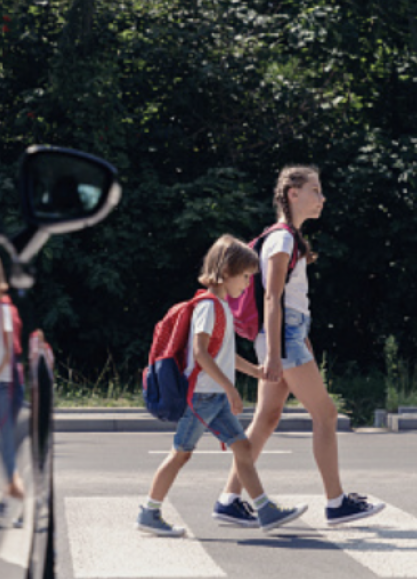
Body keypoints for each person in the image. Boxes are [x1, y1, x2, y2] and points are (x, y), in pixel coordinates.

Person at [211, 165, 386, 528]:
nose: (322, 198)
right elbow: (272, 298)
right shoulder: (283, 239)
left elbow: (287, 300)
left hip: (287, 334)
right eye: (315, 190)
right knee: (326, 415)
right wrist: (276, 354)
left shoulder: (287, 239)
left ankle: (229, 499)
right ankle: (336, 502)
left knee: (267, 418)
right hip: (281, 336)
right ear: (293, 193)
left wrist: (296, 339)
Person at [136, 234, 308, 537]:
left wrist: (255, 371)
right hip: (202, 396)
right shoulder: (209, 306)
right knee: (181, 454)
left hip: (212, 396)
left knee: (242, 447)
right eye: (244, 277)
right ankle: (149, 512)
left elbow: (224, 355)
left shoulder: (221, 307)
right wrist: (230, 388)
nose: (246, 285)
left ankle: (265, 510)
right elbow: (201, 354)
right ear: (225, 272)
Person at [0, 253, 25, 502]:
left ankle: (10, 495)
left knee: (3, 441)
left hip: (1, 382)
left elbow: (6, 351)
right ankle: (8, 493)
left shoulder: (0, 309)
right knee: (0, 442)